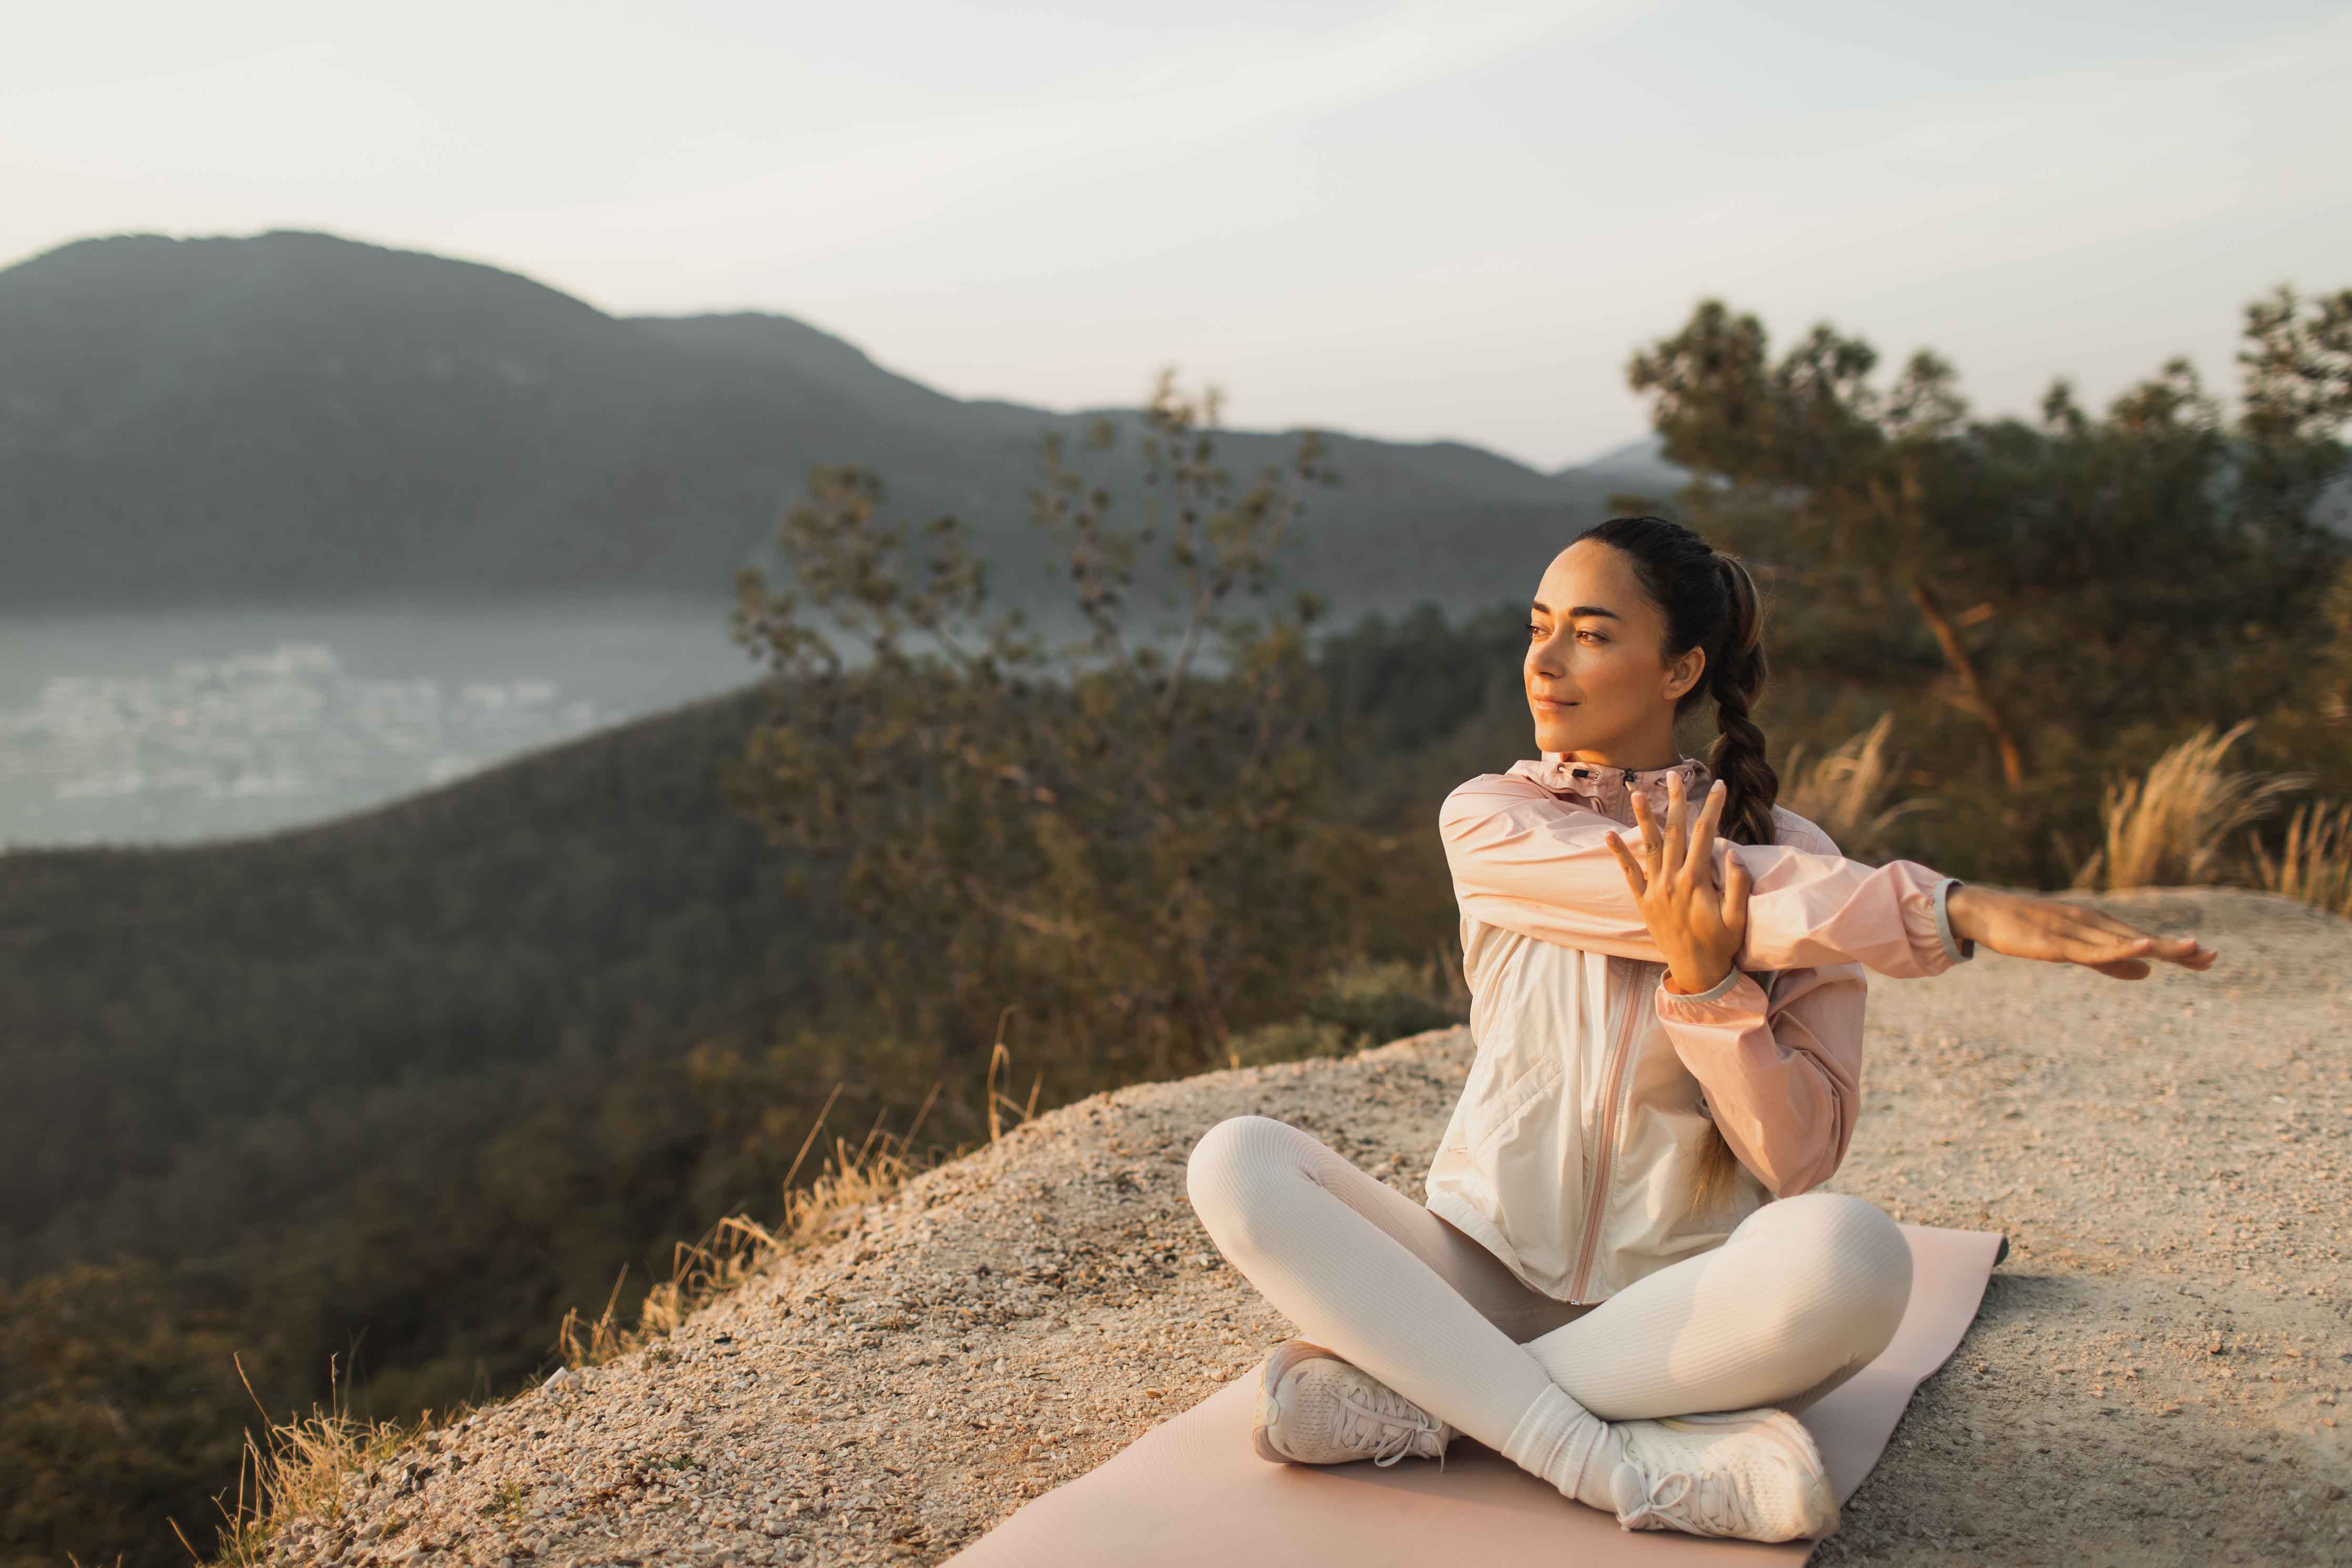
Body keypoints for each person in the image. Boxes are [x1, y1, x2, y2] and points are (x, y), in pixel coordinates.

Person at [1184, 515, 2217, 1543]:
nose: (1544, 661)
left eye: (1590, 633)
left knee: (1855, 1254)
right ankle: (1603, 1460)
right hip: (1476, 1268)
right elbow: (1712, 886)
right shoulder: (1496, 818)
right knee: (1240, 1160)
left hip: (1680, 1315)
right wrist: (1950, 909)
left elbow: (1796, 1155)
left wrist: (1710, 985)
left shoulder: (1800, 858)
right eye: (1537, 626)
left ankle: (1433, 1401)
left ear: (1680, 667)